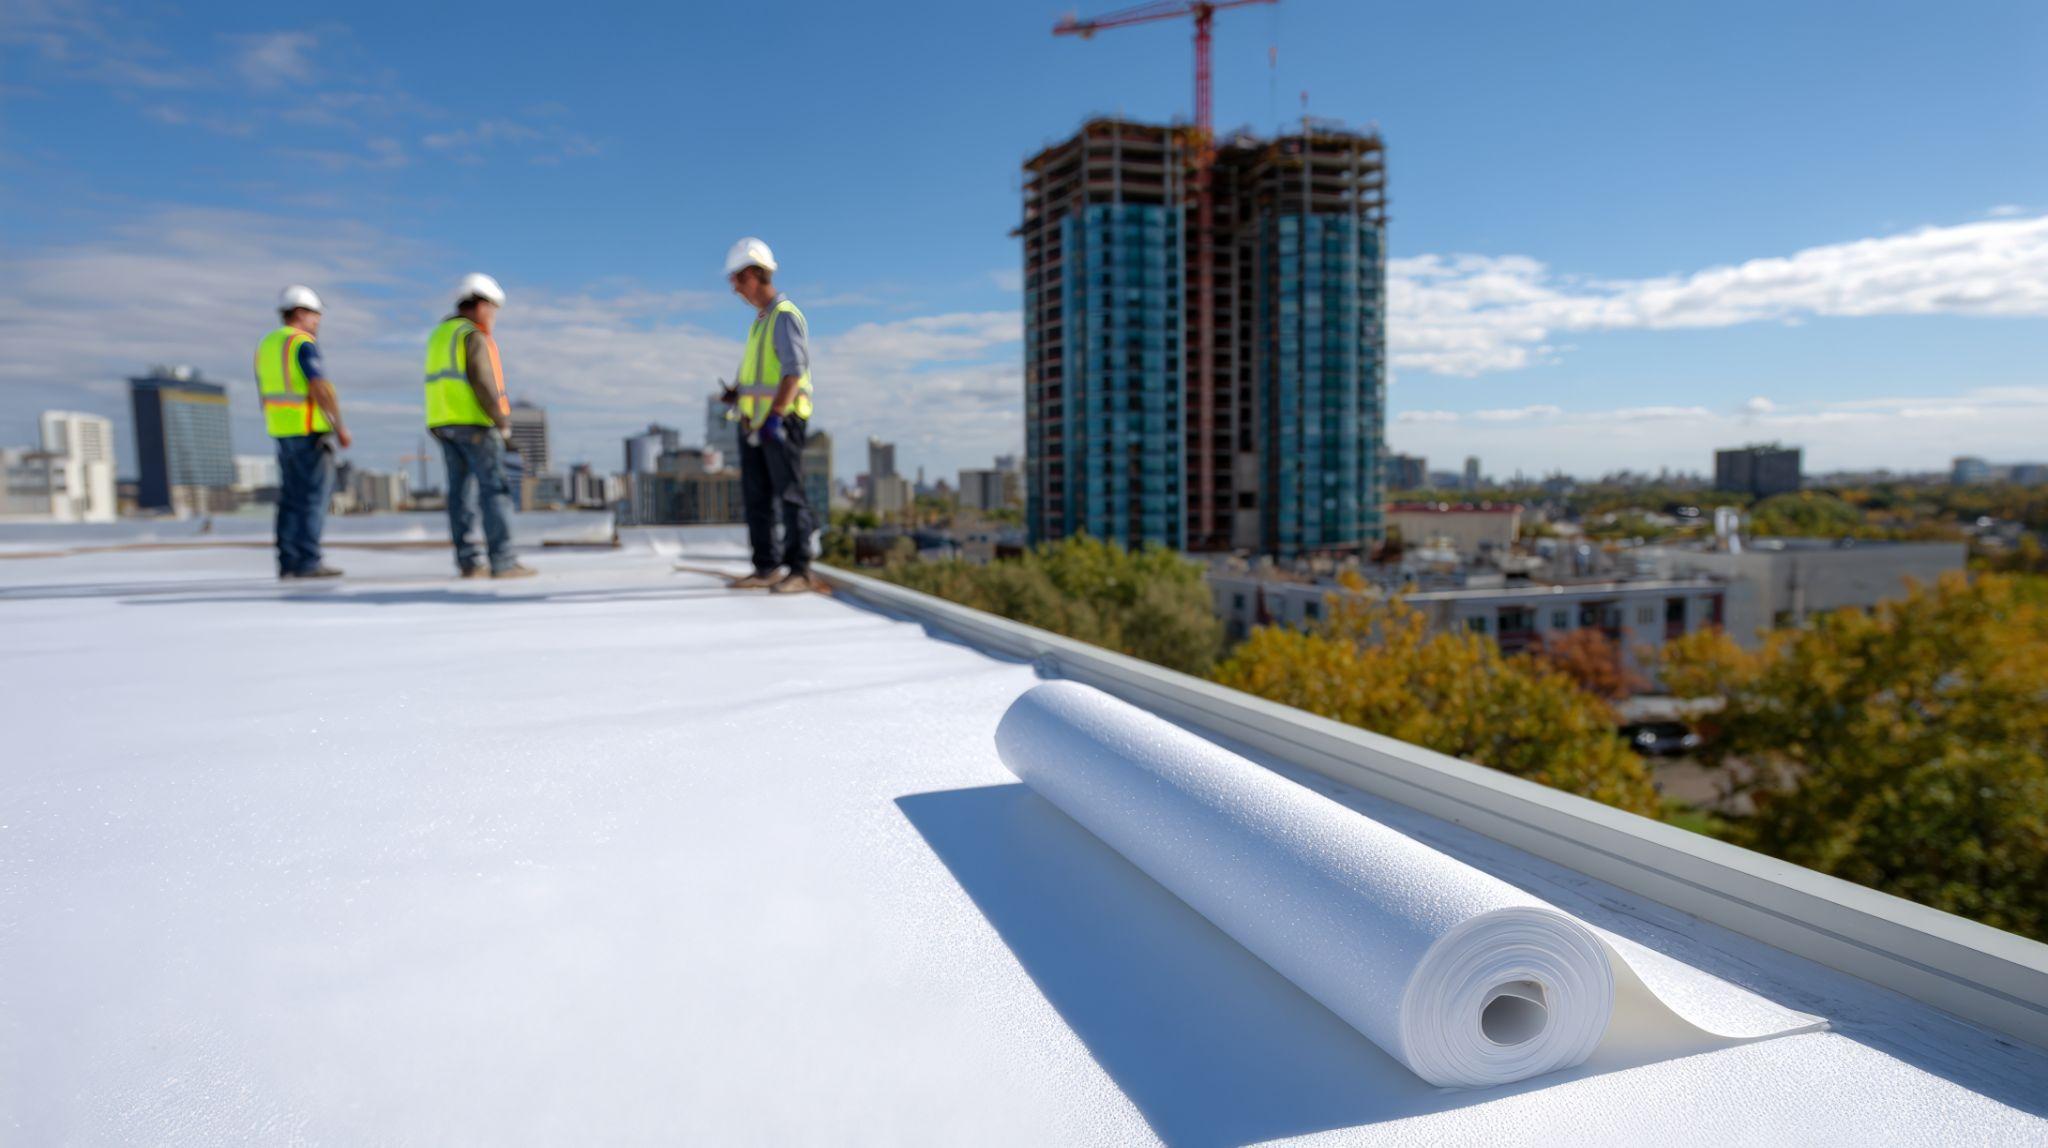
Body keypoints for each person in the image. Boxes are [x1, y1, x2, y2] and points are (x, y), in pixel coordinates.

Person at [423, 273, 535, 579]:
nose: (494, 318)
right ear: (481, 306)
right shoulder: (471, 334)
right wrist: (501, 422)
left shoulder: (439, 335)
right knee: (494, 491)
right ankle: (503, 560)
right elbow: (482, 381)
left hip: (443, 423)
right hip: (474, 424)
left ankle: (469, 562)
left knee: (460, 495)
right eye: (494, 310)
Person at [723, 237, 818, 593]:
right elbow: (763, 374)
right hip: (756, 422)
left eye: (735, 279)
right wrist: (736, 394)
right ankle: (766, 567)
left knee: (790, 495)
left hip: (779, 422)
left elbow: (793, 371)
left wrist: (776, 416)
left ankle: (800, 569)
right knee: (758, 498)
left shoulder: (784, 315)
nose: (734, 288)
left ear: (751, 274)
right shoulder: (761, 321)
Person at [258, 285, 350, 579]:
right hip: (309, 431)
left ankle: (288, 562)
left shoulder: (267, 346)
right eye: (314, 315)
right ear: (299, 313)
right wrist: (339, 426)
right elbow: (318, 386)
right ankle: (309, 561)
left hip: (282, 432)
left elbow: (264, 392)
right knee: (313, 498)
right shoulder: (301, 343)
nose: (317, 321)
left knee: (290, 500)